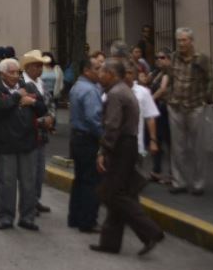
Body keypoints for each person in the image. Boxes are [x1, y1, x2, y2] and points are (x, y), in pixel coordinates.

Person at [89, 59, 165, 256]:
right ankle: (111, 242)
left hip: (121, 146)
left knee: (113, 194)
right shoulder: (124, 90)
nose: (99, 75)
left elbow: (112, 126)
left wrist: (102, 151)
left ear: (112, 74)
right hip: (127, 145)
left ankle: (151, 230)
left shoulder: (115, 94)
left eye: (103, 72)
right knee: (118, 193)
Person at [0, 57, 47, 231]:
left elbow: (43, 107)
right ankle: (6, 217)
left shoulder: (29, 87)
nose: (15, 76)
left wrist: (32, 102)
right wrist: (16, 97)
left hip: (28, 142)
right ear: (3, 74)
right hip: (5, 145)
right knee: (7, 182)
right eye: (11, 72)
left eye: (17, 72)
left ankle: (27, 217)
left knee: (29, 182)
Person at [168, 27, 211, 195]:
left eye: (184, 40)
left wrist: (204, 99)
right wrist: (170, 98)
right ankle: (179, 182)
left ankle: (199, 183)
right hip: (176, 106)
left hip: (195, 106)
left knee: (197, 147)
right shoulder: (173, 58)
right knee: (177, 147)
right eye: (179, 40)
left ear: (191, 41)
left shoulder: (201, 59)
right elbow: (171, 78)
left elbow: (210, 78)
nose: (181, 43)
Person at [68, 57, 103, 233]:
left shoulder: (77, 86)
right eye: (97, 68)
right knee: (91, 181)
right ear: (87, 71)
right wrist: (104, 137)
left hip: (77, 138)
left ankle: (75, 217)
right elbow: (94, 118)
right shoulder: (90, 90)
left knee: (80, 179)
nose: (101, 71)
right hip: (87, 139)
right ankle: (88, 221)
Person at [21, 50, 55, 215]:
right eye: (36, 65)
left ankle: (35, 199)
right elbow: (23, 113)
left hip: (42, 134)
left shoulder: (42, 83)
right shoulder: (23, 85)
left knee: (40, 171)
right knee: (29, 172)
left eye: (41, 66)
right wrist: (44, 121)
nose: (40, 69)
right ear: (27, 67)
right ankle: (28, 203)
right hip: (29, 133)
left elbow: (51, 103)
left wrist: (51, 118)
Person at [125, 61, 160, 164]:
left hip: (137, 145)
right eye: (125, 72)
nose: (127, 75)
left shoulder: (143, 92)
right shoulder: (112, 91)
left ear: (135, 74)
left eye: (130, 72)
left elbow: (150, 117)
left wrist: (153, 140)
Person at [149, 49, 172, 183]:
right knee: (157, 139)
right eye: (157, 58)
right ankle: (156, 170)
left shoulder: (169, 73)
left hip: (165, 109)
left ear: (169, 59)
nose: (159, 60)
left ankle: (171, 173)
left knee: (168, 141)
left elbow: (162, 89)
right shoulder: (157, 73)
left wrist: (150, 99)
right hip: (157, 109)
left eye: (162, 57)